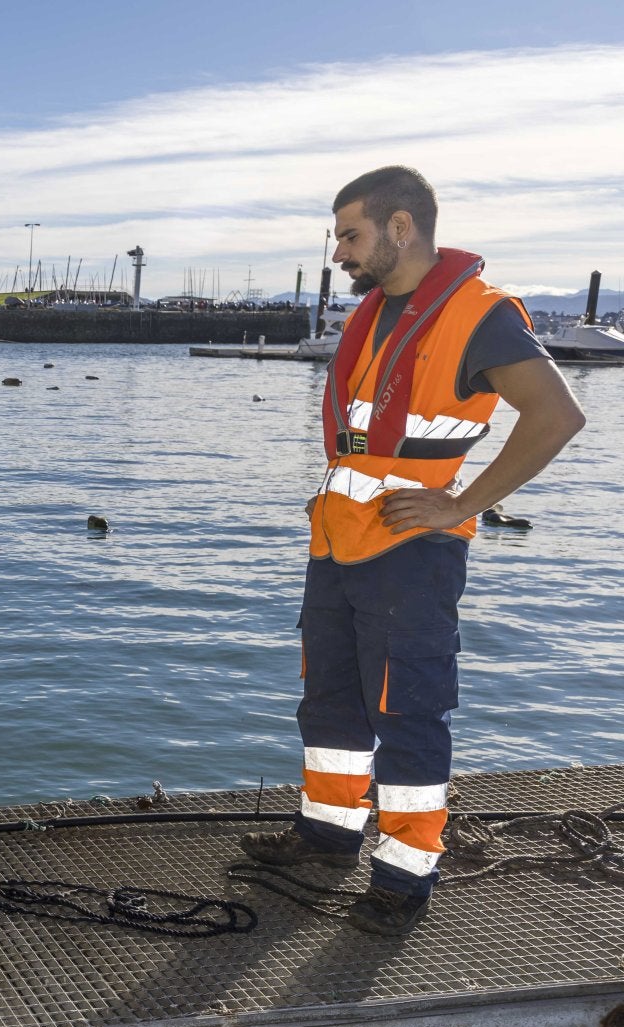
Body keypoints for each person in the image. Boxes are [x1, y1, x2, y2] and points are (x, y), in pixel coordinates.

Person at [241, 166, 586, 935]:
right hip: (337, 541)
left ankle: (404, 876)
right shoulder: (372, 314)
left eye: (350, 235)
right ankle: (328, 836)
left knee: (407, 712)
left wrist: (462, 505)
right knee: (330, 700)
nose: (339, 252)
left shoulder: (480, 314)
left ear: (401, 227)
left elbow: (557, 415)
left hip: (410, 553)